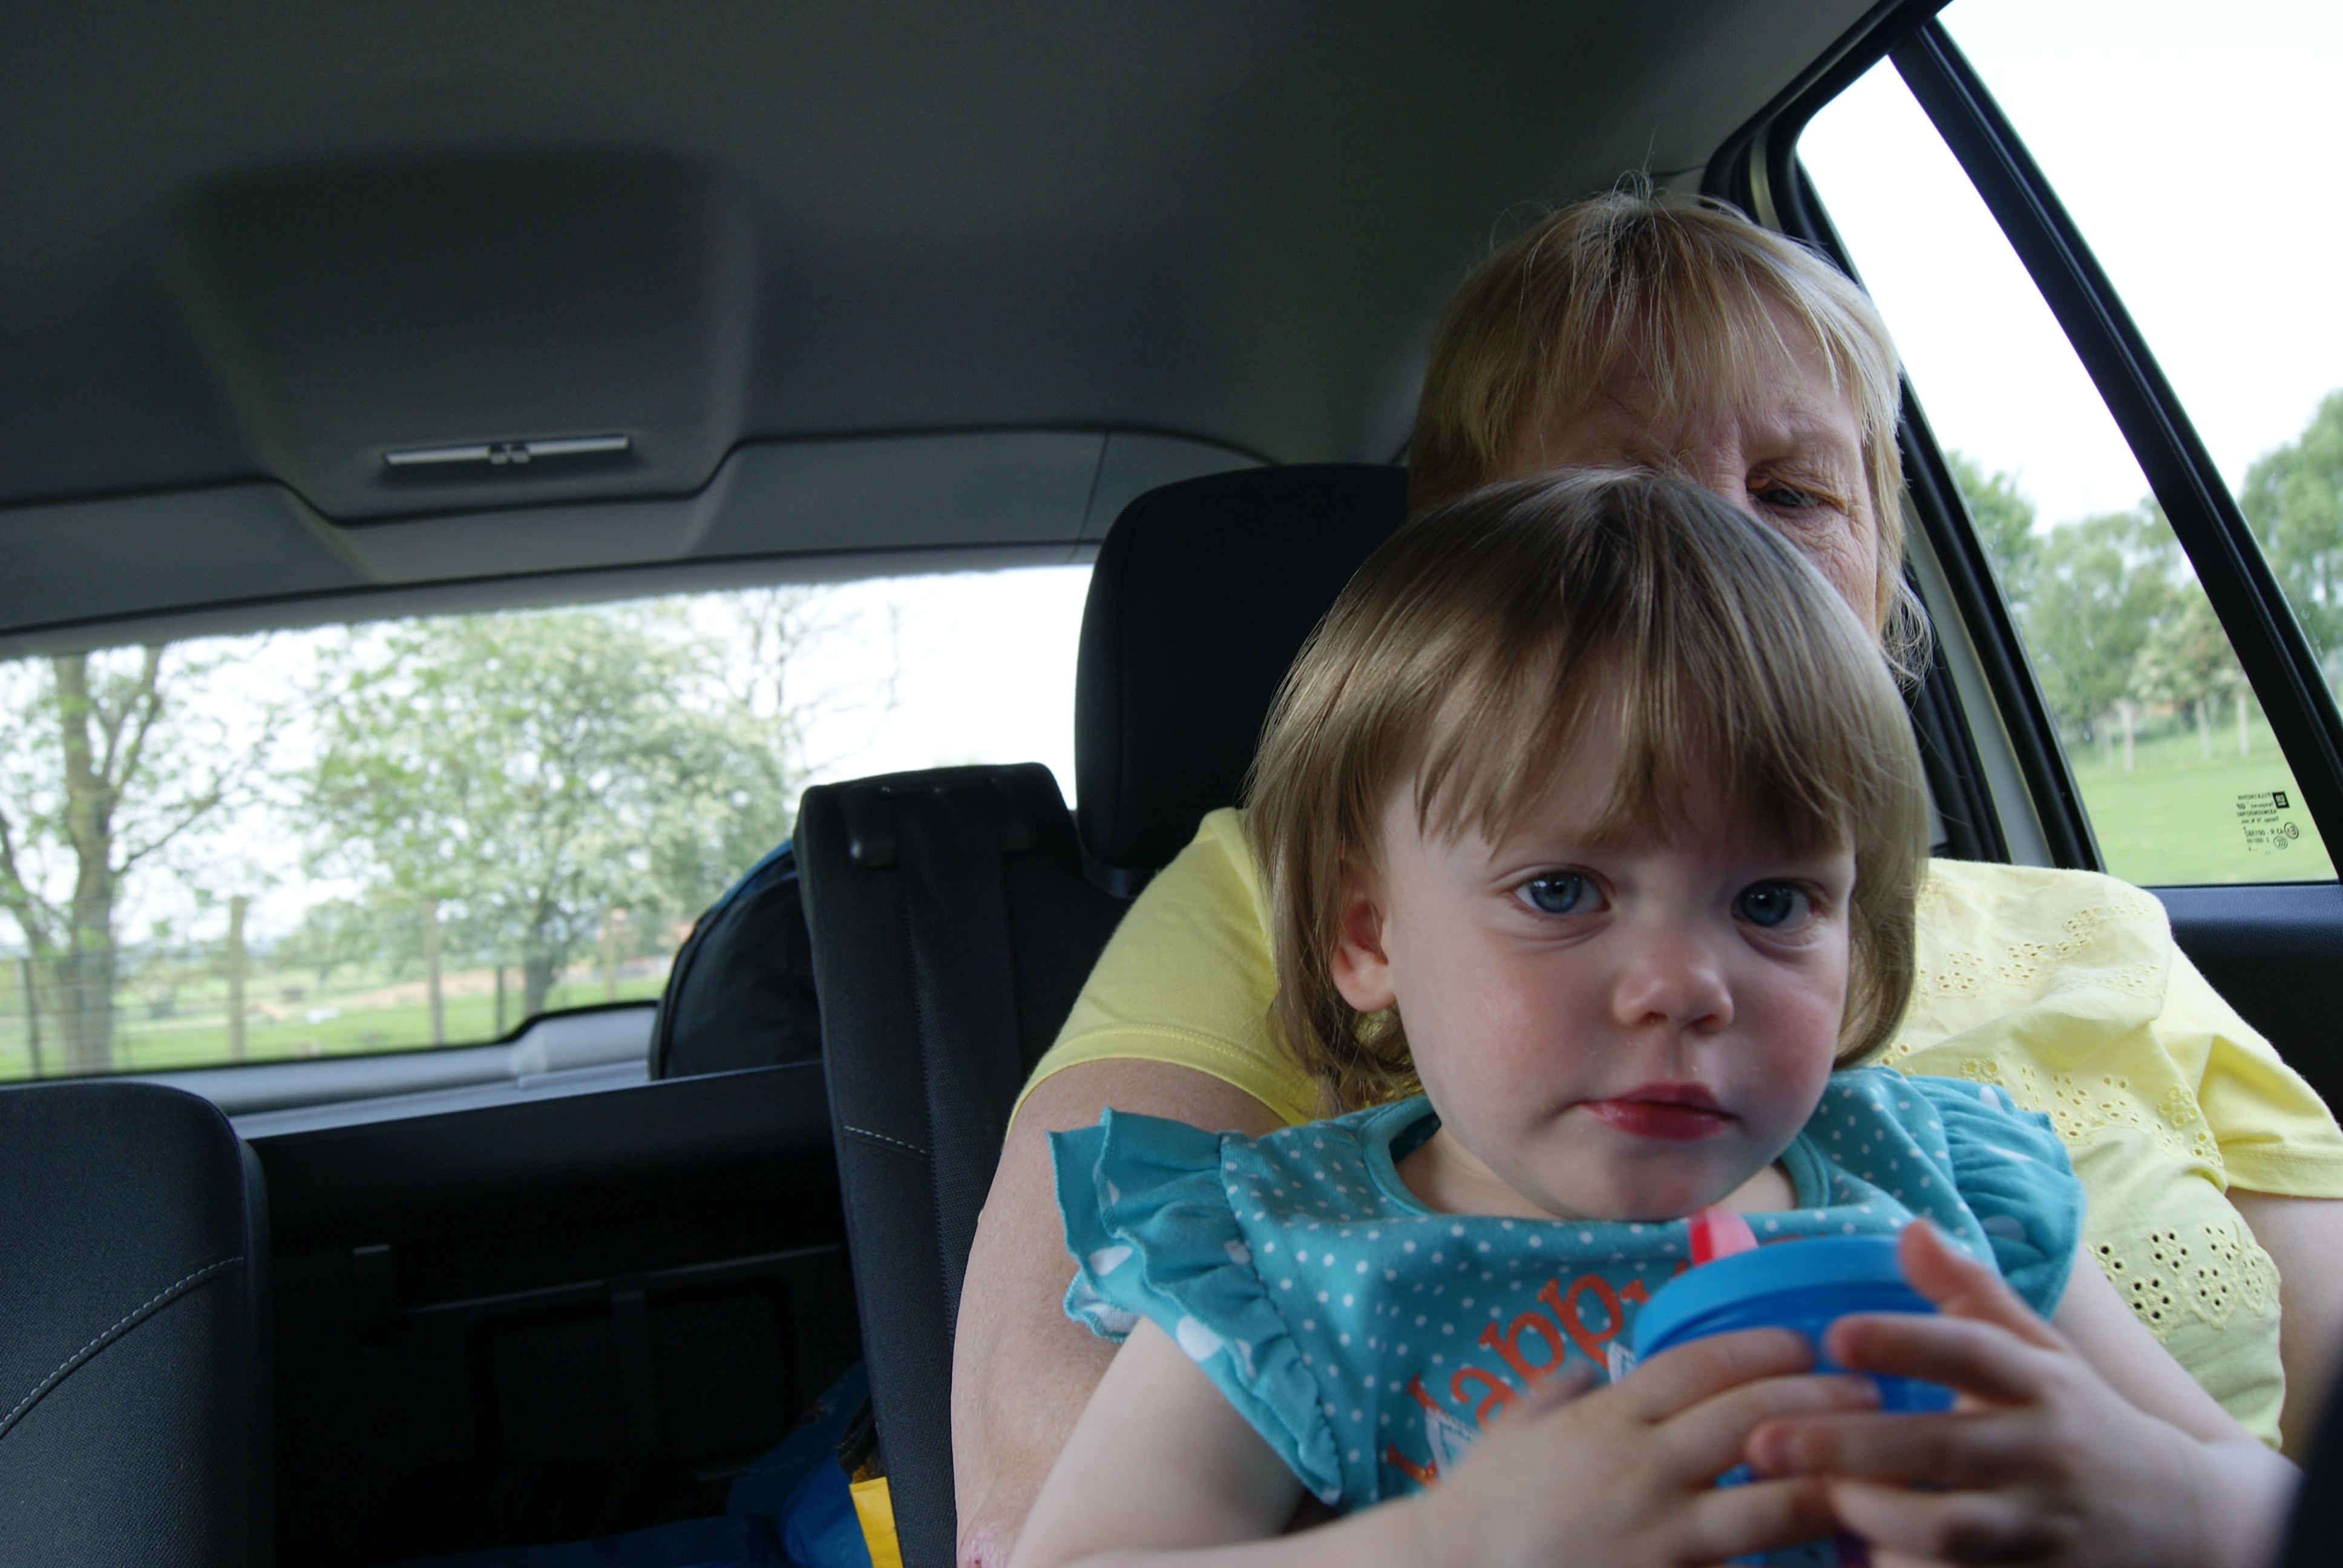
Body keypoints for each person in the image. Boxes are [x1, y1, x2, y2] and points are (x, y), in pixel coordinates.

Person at [952, 191, 2343, 1568]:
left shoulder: (1942, 1187)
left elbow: (2260, 1494)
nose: (1685, 985)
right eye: (1562, 892)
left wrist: (2160, 1500)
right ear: (1364, 929)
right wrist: (1453, 1546)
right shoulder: (1291, 1259)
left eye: (1772, 902)